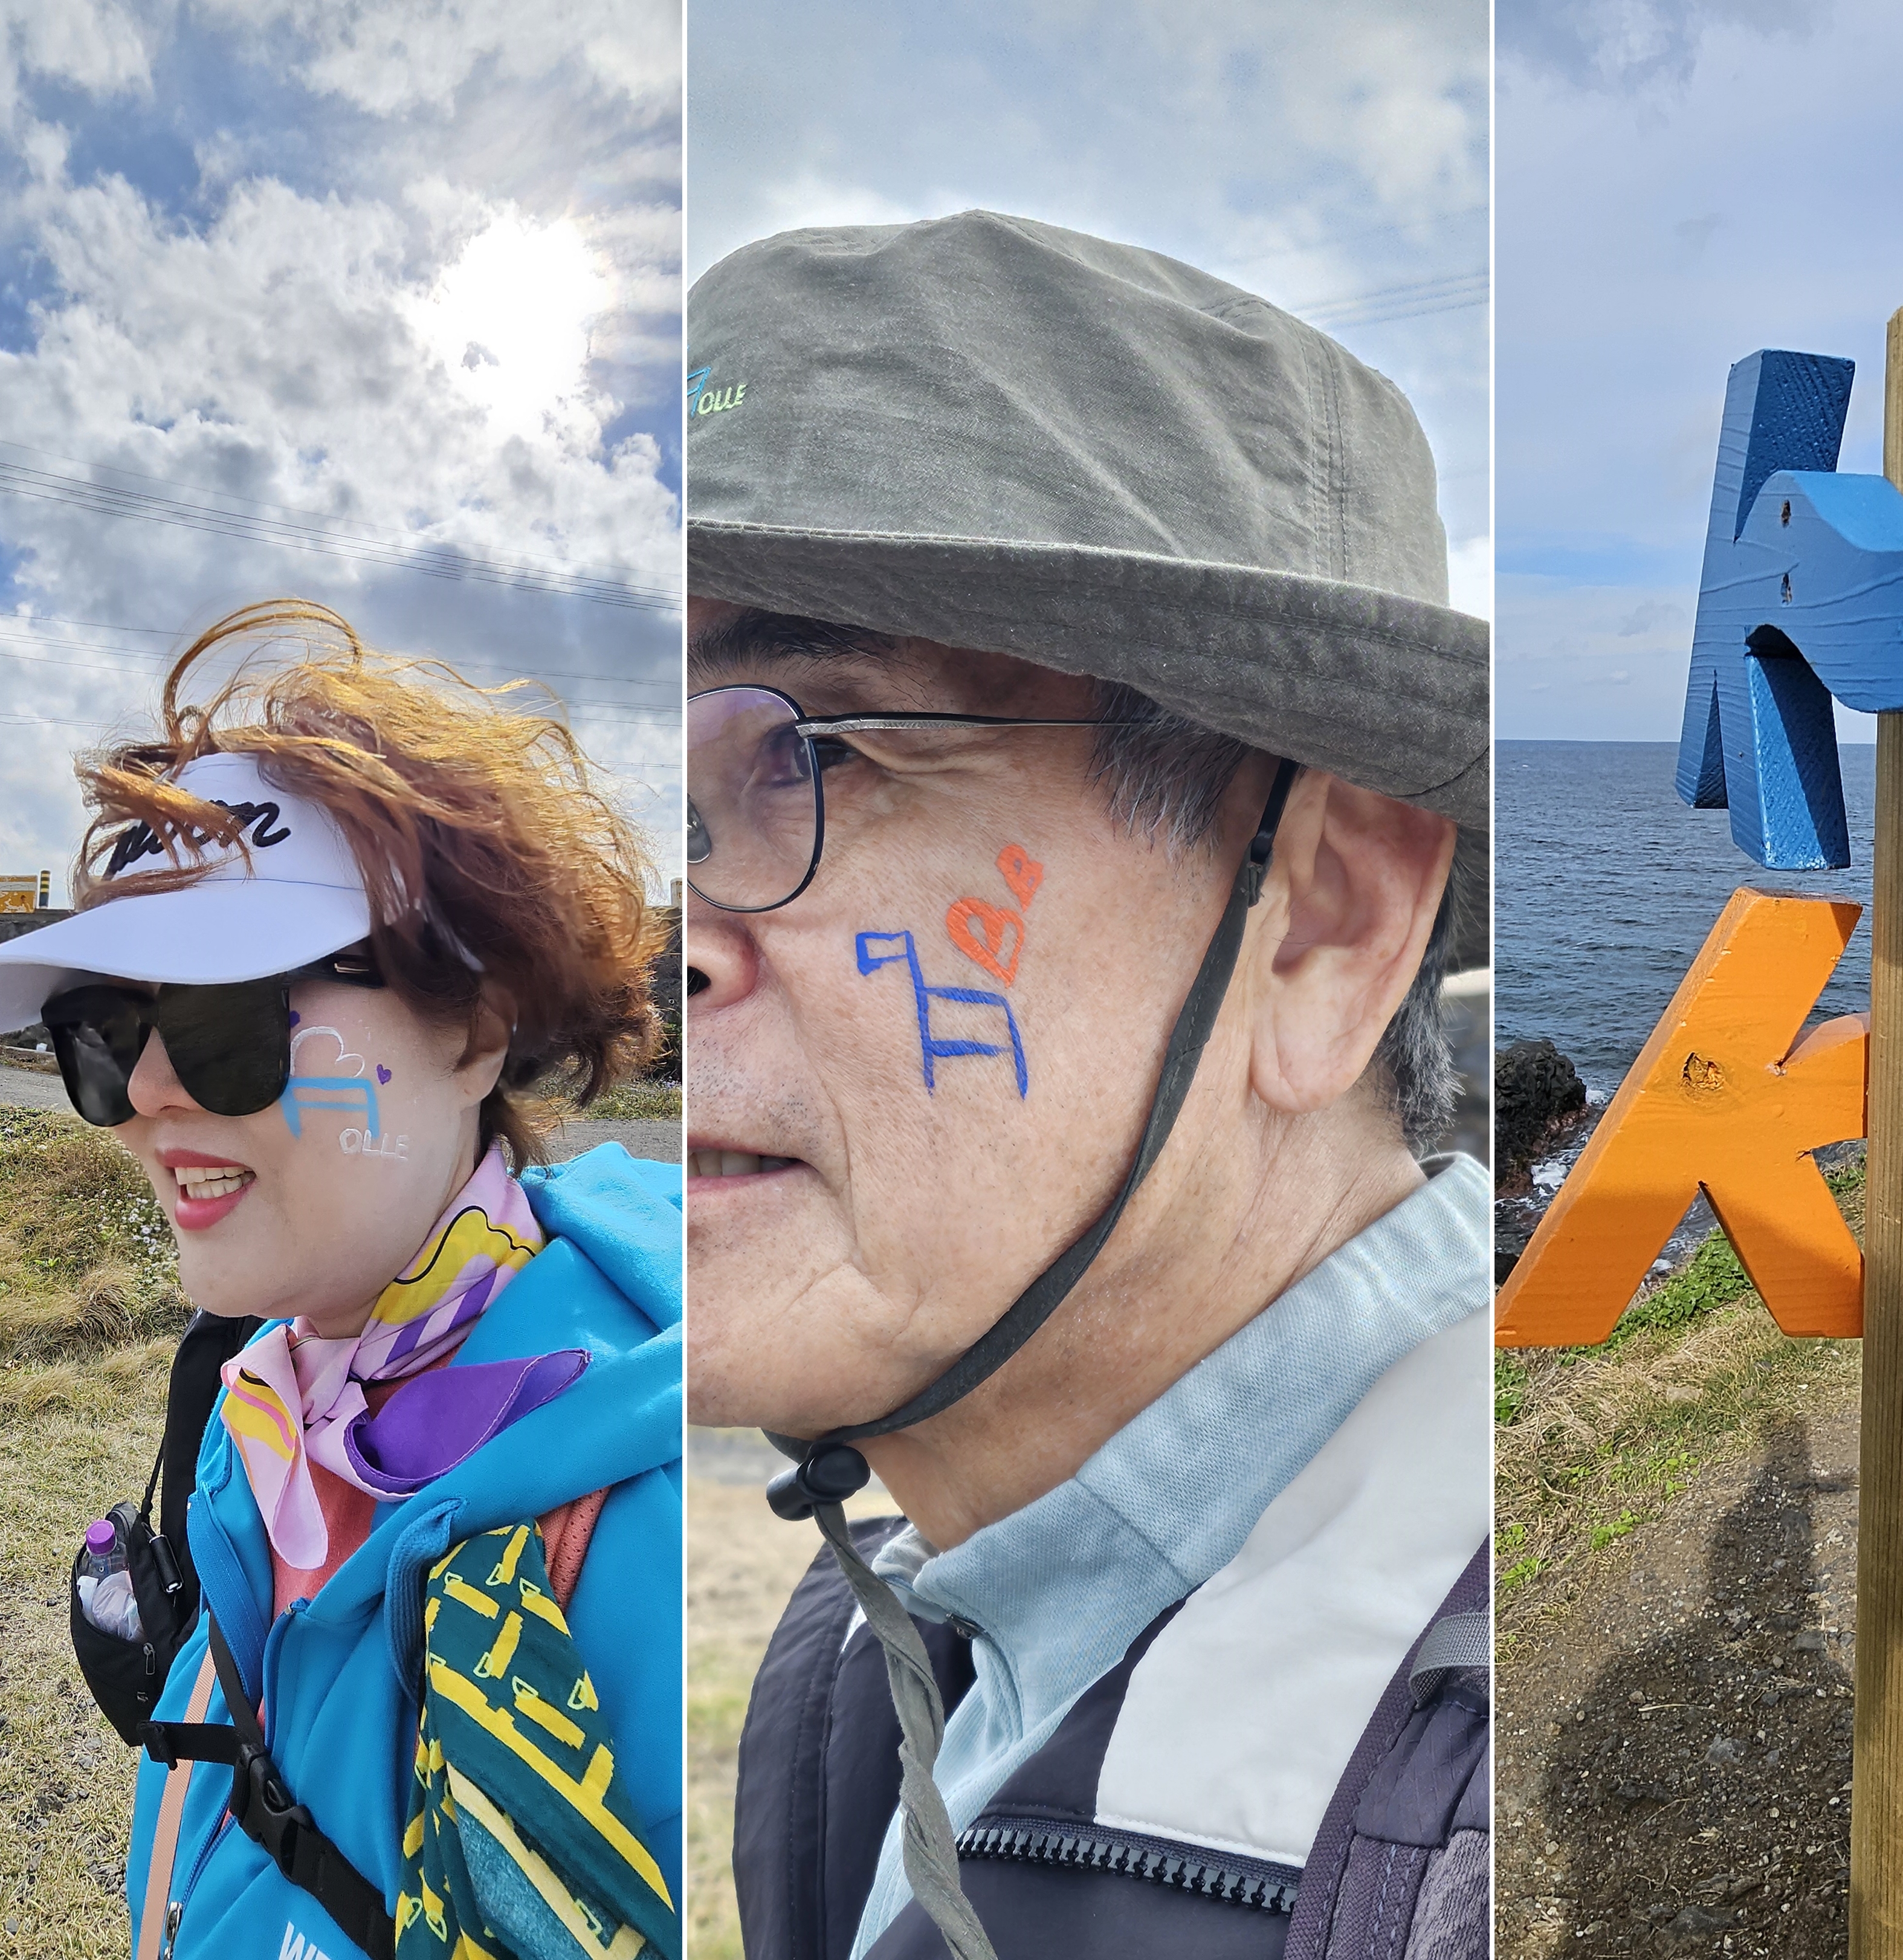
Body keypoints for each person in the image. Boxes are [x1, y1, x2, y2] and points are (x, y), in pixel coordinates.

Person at [688, 213, 1489, 1960]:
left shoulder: (1479, 1826)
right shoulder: (867, 1662)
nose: (663, 948)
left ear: (1326, 921)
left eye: (812, 754)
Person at [0, 600, 682, 1960]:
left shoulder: (653, 1530)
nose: (142, 1096)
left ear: (474, 1028)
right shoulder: (265, 1387)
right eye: (104, 1030)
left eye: (228, 1017)